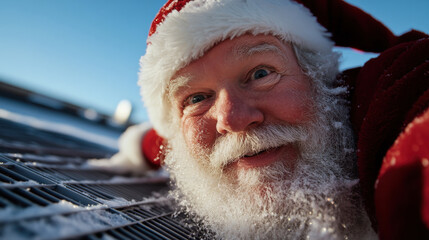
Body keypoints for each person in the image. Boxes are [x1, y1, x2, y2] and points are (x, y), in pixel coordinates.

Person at [105, 0, 429, 239]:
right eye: (197, 98)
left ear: (320, 78)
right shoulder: (195, 146)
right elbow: (166, 145)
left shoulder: (391, 96)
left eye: (261, 73)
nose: (232, 119)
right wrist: (141, 143)